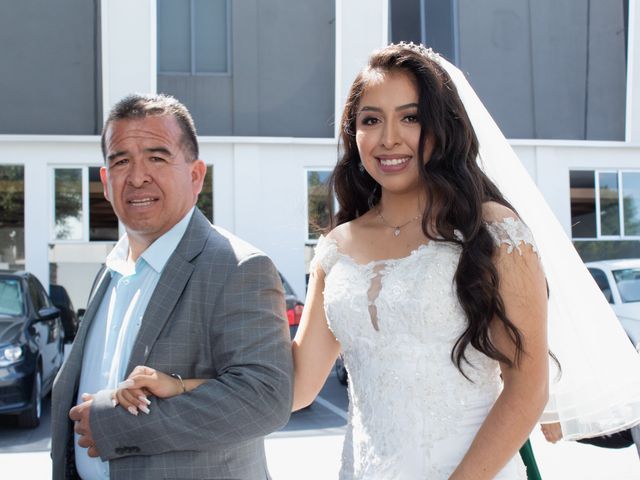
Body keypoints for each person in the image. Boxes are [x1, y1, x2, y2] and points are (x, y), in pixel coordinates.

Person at [290, 43, 549, 479]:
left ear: (442, 128)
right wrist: (184, 385)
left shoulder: (493, 231)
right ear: (354, 133)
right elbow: (297, 385)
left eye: (411, 117)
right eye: (371, 120)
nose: (389, 137)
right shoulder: (335, 248)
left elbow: (529, 387)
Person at [50, 93, 293, 480]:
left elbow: (264, 398)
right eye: (121, 160)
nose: (137, 176)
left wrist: (115, 425)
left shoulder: (237, 267)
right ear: (105, 181)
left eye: (156, 157)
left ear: (196, 175)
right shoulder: (110, 269)